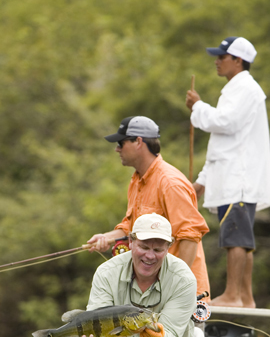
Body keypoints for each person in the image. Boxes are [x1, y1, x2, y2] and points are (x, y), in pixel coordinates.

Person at [80, 213, 208, 337]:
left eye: (158, 249)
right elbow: (96, 318)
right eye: (144, 247)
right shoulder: (106, 273)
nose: (150, 255)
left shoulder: (184, 280)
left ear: (169, 248)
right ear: (130, 242)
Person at [186, 36, 270, 308]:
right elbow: (223, 144)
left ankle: (233, 295)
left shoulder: (246, 88)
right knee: (241, 238)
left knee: (235, 237)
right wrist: (201, 181)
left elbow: (226, 122)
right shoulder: (238, 89)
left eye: (222, 57)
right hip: (232, 176)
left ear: (238, 60)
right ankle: (246, 297)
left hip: (239, 178)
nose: (217, 61)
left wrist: (198, 106)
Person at [86, 115, 210, 297]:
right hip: (150, 291)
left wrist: (174, 287)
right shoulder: (137, 179)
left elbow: (190, 237)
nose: (117, 149)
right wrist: (107, 238)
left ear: (138, 141)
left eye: (121, 143)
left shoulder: (170, 182)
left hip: (179, 293)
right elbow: (130, 228)